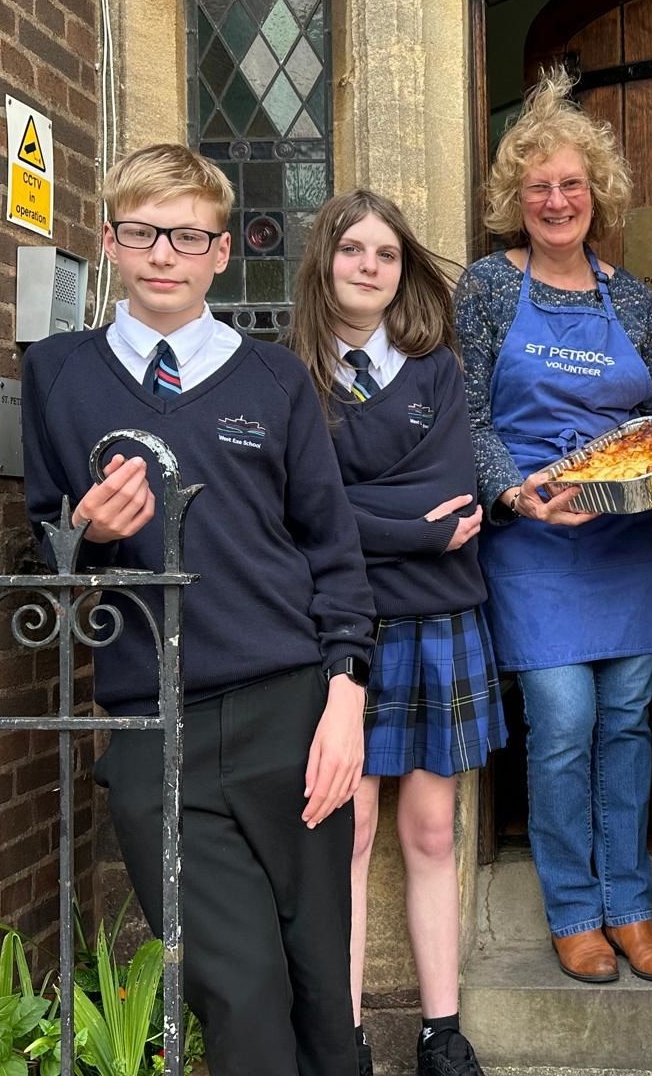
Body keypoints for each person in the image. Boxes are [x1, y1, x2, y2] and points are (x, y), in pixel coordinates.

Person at [21, 144, 376, 1076]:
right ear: (109, 242)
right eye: (141, 233)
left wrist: (346, 697)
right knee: (235, 984)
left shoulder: (273, 379)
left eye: (187, 236)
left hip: (290, 708)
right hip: (153, 724)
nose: (163, 255)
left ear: (222, 251)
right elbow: (41, 557)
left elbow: (332, 550)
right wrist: (85, 534)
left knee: (316, 975)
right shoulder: (60, 375)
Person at [454, 69, 652, 986]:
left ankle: (631, 910)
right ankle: (575, 912)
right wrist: (514, 492)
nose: (556, 200)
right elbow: (469, 416)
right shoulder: (488, 287)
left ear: (596, 192)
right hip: (533, 538)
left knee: (629, 722)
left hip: (623, 540)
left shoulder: (631, 296)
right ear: (514, 200)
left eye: (571, 184)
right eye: (538, 187)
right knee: (563, 721)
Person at [289, 189, 506, 1076]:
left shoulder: (437, 370)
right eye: (353, 250)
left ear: (402, 268)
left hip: (442, 618)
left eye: (385, 253)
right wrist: (411, 526)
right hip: (344, 627)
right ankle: (339, 1043)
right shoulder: (288, 378)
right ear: (326, 263)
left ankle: (439, 1033)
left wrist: (357, 512)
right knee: (351, 830)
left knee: (429, 830)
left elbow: (456, 489)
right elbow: (298, 516)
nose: (370, 265)